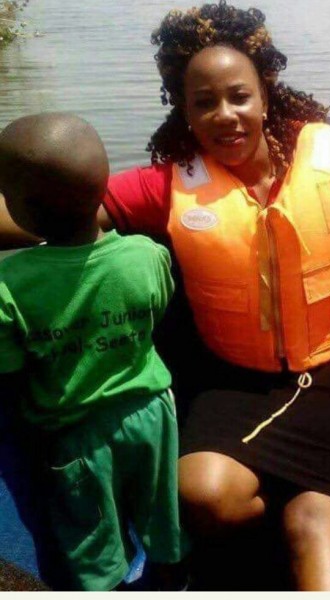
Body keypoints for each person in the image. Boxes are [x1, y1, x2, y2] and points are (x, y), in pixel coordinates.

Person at [90, 2, 330, 591]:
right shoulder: (168, 181)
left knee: (315, 521)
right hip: (235, 378)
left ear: (266, 91)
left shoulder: (328, 157)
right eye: (204, 102)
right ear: (184, 107)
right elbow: (69, 201)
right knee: (201, 497)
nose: (224, 115)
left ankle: (303, 512)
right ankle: (267, 518)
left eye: (239, 96)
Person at [0, 113, 188, 590]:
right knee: (161, 513)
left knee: (91, 538)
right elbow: (156, 309)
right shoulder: (148, 255)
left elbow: (10, 370)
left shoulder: (9, 284)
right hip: (153, 415)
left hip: (75, 435)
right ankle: (171, 576)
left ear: (19, 209)